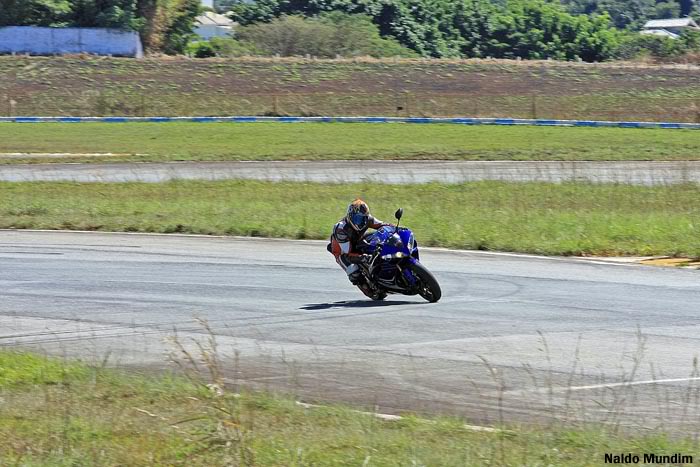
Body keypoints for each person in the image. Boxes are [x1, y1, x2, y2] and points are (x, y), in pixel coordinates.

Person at [328, 199, 390, 296]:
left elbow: (382, 225)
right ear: (350, 216)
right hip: (343, 252)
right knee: (353, 270)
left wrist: (397, 228)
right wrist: (364, 257)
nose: (360, 222)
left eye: (363, 219)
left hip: (358, 241)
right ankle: (366, 288)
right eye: (357, 218)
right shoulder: (341, 229)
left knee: (378, 242)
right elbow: (348, 252)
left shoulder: (368, 219)